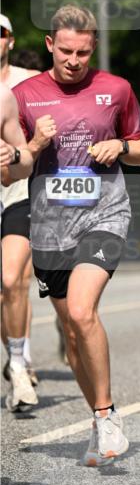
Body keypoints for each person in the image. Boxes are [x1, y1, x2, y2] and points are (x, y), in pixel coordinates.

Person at [13, 5, 140, 466]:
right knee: (72, 333)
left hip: (104, 214)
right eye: (66, 51)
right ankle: (99, 419)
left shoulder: (116, 89)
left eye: (84, 53)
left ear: (93, 47)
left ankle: (108, 415)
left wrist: (123, 146)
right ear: (50, 44)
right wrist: (33, 146)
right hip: (50, 226)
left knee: (80, 309)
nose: (74, 60)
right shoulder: (22, 95)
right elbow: (12, 169)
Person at [0, 22, 36, 413]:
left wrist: (12, 156)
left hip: (14, 194)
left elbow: (25, 157)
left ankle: (18, 362)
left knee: (13, 279)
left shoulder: (12, 92)